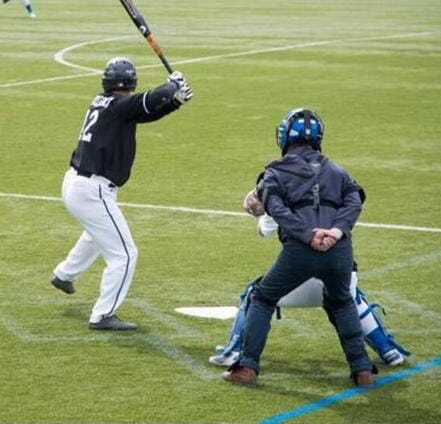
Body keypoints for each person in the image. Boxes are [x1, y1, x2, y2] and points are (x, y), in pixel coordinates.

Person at [223, 108, 377, 388]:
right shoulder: (338, 170)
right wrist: (334, 231)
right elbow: (355, 200)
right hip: (340, 250)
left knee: (263, 298)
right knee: (342, 302)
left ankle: (247, 367)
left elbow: (277, 210)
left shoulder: (274, 172)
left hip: (300, 252)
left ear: (283, 138)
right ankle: (363, 369)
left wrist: (309, 236)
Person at [51, 57, 193, 330]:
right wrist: (170, 86)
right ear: (131, 82)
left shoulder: (105, 103)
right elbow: (149, 100)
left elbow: (144, 112)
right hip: (93, 190)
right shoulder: (120, 105)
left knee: (96, 234)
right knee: (125, 254)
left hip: (76, 184)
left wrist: (174, 102)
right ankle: (102, 315)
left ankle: (64, 274)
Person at [209, 188, 410, 368]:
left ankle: (234, 352)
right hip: (341, 278)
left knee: (255, 294)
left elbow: (266, 231)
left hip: (304, 277)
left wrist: (265, 211)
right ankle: (388, 350)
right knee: (353, 296)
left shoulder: (283, 188)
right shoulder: (337, 184)